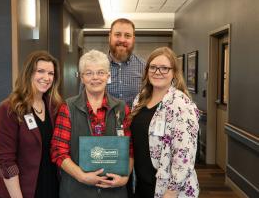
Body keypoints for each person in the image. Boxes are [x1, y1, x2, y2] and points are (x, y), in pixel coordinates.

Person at [51, 49, 134, 198]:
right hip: (76, 191)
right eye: (89, 73)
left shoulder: (122, 108)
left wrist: (125, 177)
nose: (95, 78)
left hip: (114, 192)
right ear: (82, 78)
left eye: (101, 72)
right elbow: (58, 151)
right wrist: (81, 176)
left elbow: (130, 150)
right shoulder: (68, 108)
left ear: (108, 76)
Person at [130, 47, 200, 198]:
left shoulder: (181, 104)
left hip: (167, 190)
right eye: (153, 67)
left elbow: (185, 153)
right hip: (141, 183)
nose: (157, 72)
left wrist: (171, 191)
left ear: (174, 72)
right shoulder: (140, 99)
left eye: (164, 68)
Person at [0, 51, 62, 198]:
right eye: (40, 71)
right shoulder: (9, 108)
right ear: (29, 73)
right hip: (22, 190)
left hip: (51, 185)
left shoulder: (54, 106)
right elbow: (6, 161)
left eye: (51, 73)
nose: (46, 78)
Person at [107, 18, 145, 107]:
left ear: (133, 39)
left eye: (127, 36)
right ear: (109, 37)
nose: (122, 40)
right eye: (117, 35)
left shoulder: (145, 67)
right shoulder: (95, 67)